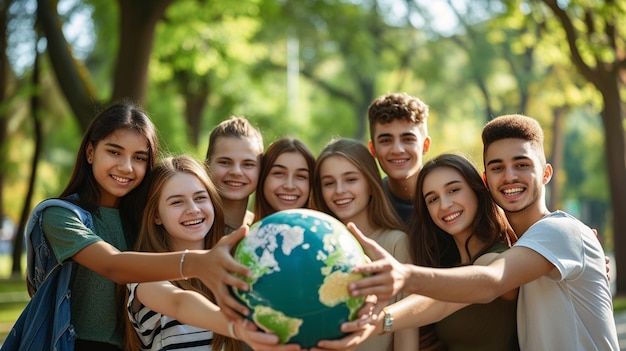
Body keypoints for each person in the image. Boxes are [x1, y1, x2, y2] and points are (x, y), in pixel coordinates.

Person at [346, 114, 619, 350]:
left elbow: (490, 281)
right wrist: (379, 321)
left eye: (522, 164)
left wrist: (404, 276)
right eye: (498, 167)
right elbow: (444, 301)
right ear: (486, 181)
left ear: (546, 173)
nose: (510, 176)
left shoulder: (561, 231)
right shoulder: (519, 247)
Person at [8, 101, 254, 351]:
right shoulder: (60, 216)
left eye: (139, 157)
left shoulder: (138, 221)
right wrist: (196, 263)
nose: (126, 167)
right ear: (90, 152)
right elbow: (113, 265)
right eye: (114, 152)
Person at [125, 155, 296, 351]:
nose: (193, 209)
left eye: (200, 198)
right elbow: (179, 303)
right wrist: (238, 328)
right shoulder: (143, 274)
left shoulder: (237, 269)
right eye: (177, 202)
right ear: (156, 215)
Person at [311, 138, 419, 351]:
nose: (339, 190)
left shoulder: (397, 243)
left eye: (350, 179)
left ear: (370, 184)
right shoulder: (315, 246)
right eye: (329, 183)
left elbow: (407, 334)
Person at [367, 92, 431, 224]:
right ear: (373, 149)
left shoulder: (447, 198)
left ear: (425, 145)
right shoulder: (368, 204)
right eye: (386, 140)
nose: (397, 150)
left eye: (408, 139)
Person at [205, 116, 264, 234]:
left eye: (248, 164)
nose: (236, 172)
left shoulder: (264, 229)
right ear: (206, 165)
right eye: (225, 162)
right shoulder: (193, 223)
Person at [253, 136, 315, 222]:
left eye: (300, 176)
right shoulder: (246, 232)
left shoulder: (329, 234)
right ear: (263, 178)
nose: (289, 186)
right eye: (279, 173)